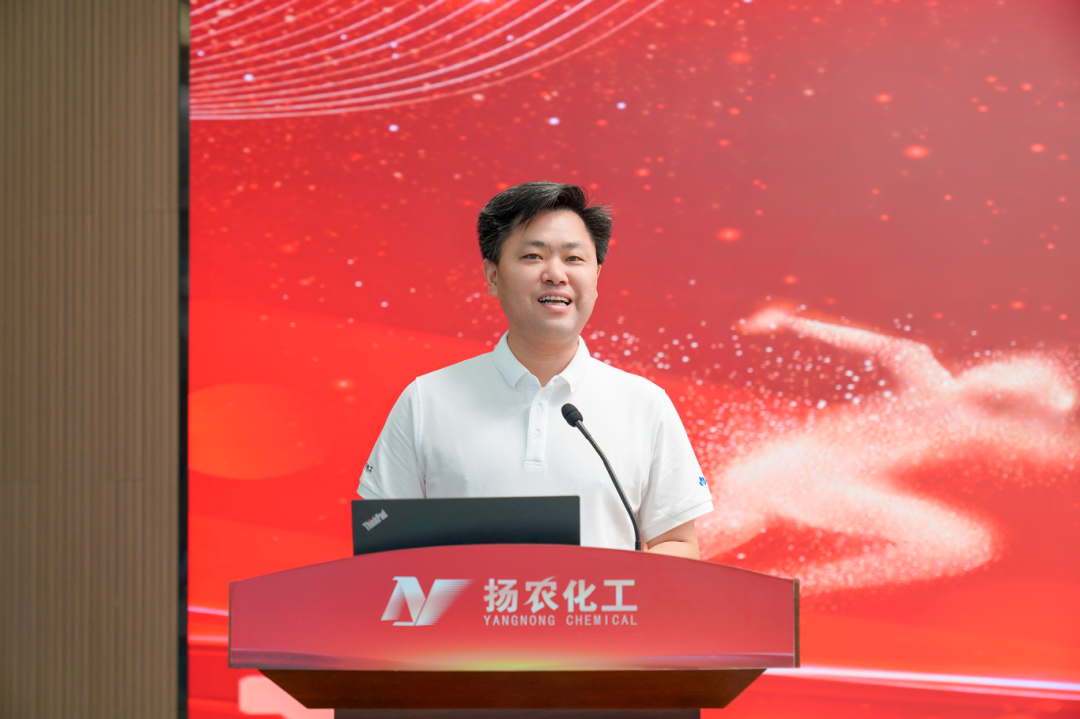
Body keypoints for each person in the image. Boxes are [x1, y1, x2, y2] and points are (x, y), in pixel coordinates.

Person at [358, 182, 713, 557]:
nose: (556, 274)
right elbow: (383, 543)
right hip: (466, 599)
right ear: (493, 276)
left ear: (596, 276)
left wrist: (612, 587)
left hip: (596, 600)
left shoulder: (645, 404)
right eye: (533, 256)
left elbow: (678, 543)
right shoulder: (426, 399)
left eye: (574, 258)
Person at [697, 306, 1078, 593]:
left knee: (732, 524)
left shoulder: (954, 405)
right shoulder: (940, 395)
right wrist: (791, 322)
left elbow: (898, 348)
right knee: (959, 543)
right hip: (799, 476)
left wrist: (791, 322)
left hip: (781, 470)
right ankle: (780, 590)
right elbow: (899, 349)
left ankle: (765, 589)